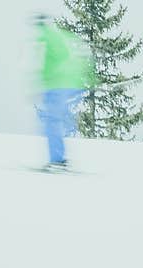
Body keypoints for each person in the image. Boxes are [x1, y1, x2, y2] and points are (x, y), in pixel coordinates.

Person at [33, 14, 96, 170]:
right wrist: (91, 80)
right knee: (56, 119)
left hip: (57, 85)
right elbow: (81, 55)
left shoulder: (46, 38)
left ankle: (57, 160)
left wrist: (41, 82)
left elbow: (45, 62)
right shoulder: (63, 35)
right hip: (71, 84)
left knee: (52, 122)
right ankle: (59, 156)